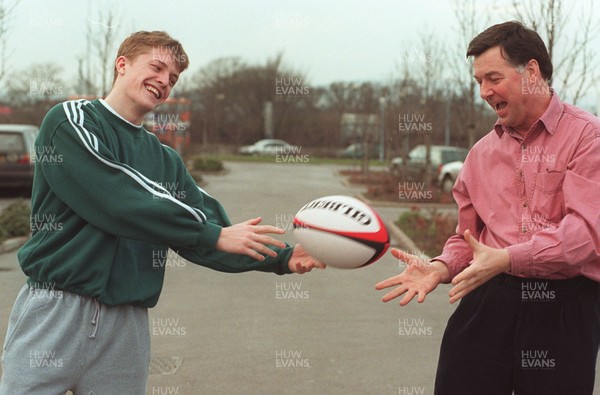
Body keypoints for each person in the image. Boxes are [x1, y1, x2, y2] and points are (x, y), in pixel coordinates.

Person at [0, 31, 324, 395]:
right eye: (156, 67)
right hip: (56, 309)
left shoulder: (165, 160)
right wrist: (211, 233)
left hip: (126, 325)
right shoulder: (70, 121)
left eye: (172, 79)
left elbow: (208, 224)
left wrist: (283, 257)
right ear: (121, 65)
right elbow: (119, 197)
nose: (164, 82)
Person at [376, 21, 600, 395]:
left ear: (531, 71)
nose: (484, 92)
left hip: (564, 308)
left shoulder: (587, 137)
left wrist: (508, 257)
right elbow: (468, 239)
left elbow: (586, 236)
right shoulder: (480, 153)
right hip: (488, 297)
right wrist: (441, 266)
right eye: (478, 81)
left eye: (492, 78)